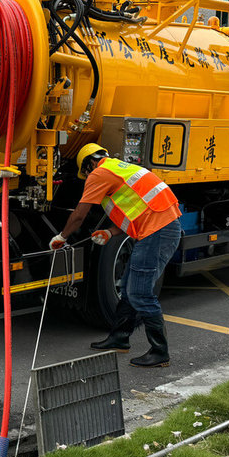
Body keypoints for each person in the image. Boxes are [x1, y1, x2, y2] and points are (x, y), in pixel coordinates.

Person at [49, 143, 182, 368]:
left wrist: (62, 237)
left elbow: (80, 215)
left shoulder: (100, 173)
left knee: (139, 292)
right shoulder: (118, 169)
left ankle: (160, 351)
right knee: (131, 286)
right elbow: (135, 210)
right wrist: (110, 232)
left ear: (89, 163)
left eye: (86, 171)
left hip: (158, 231)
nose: (87, 176)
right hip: (159, 228)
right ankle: (120, 338)